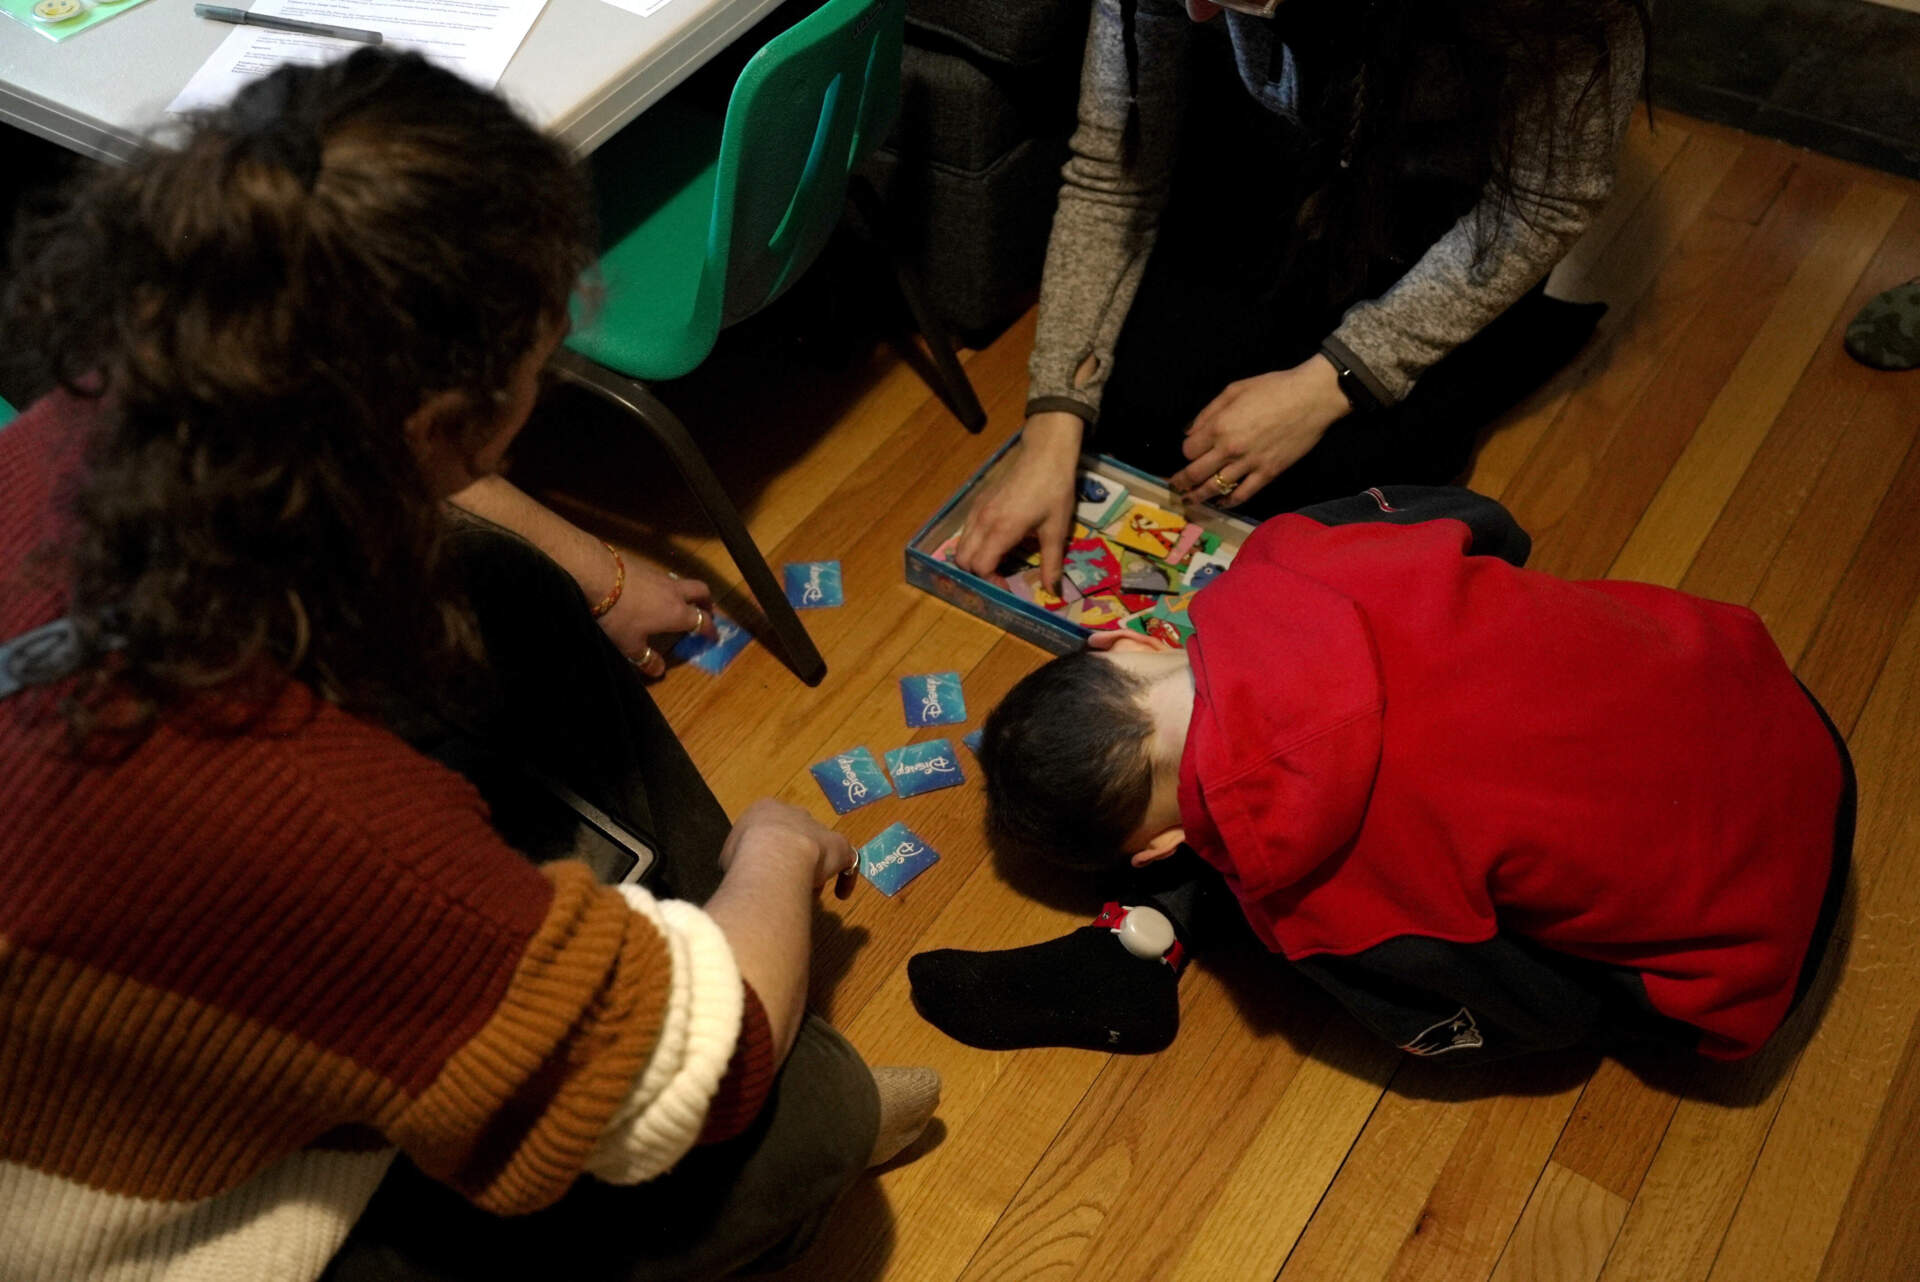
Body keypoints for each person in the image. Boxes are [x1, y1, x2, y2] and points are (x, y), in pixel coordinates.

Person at [0, 50, 934, 1282]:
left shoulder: (131, 386)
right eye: (535, 373)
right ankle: (750, 1013)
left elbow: (437, 508)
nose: (540, 394)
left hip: (92, 977)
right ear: (443, 420)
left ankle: (684, 953)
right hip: (116, 1218)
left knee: (505, 582)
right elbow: (678, 1098)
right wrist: (775, 847)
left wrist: (595, 573)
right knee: (789, 1116)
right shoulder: (319, 823)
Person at [911, 487, 1854, 1064]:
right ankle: (1145, 944)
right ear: (1123, 638)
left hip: (1749, 957)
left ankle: (1148, 935)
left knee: (1283, 902)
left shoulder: (1318, 907)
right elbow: (1491, 527)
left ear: (1155, 848)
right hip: (1781, 706)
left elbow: (1534, 1015)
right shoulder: (1294, 547)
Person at [956, 0, 1650, 590]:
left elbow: (1543, 204)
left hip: (1445, 199)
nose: (1195, 13)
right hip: (1286, 154)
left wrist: (1336, 379)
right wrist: (1052, 417)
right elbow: (1116, 168)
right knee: (1143, 425)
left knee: (1335, 502)